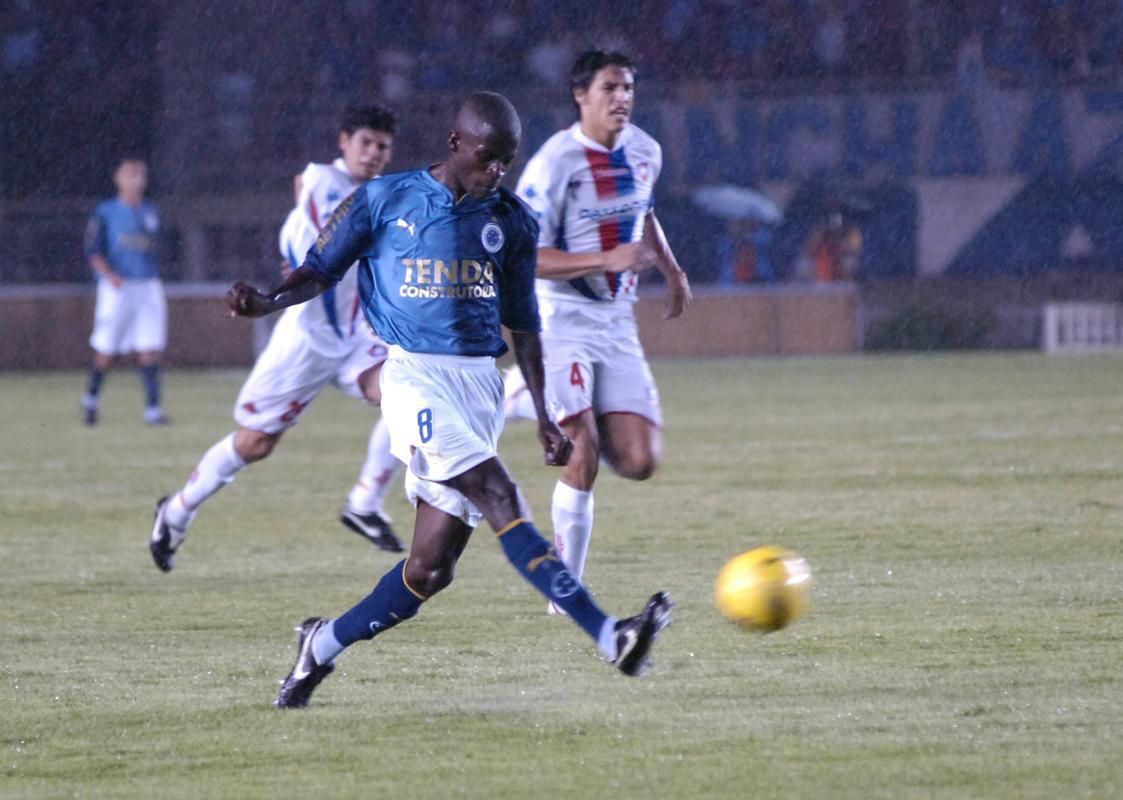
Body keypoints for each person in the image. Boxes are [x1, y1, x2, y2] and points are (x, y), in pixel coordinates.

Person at [226, 92, 673, 708]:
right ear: (457, 144)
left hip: (480, 387)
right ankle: (609, 634)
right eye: (490, 158)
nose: (499, 172)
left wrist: (544, 413)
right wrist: (269, 301)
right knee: (499, 493)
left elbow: (524, 324)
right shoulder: (386, 199)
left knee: (428, 572)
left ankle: (319, 647)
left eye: (508, 161)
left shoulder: (513, 220)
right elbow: (319, 269)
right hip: (413, 380)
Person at [149, 106, 405, 573]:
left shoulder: (371, 195)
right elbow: (320, 221)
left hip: (355, 333)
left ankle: (365, 502)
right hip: (305, 337)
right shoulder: (326, 181)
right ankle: (177, 510)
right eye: (365, 141)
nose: (373, 153)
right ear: (343, 142)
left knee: (409, 391)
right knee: (255, 445)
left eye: (382, 146)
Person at [504, 51, 691, 611]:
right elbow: (525, 258)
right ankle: (564, 594)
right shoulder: (554, 163)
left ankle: (517, 392)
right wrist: (605, 260)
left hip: (616, 323)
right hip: (559, 317)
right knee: (580, 445)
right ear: (580, 96)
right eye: (610, 87)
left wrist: (672, 268)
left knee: (639, 461)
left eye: (628, 87)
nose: (622, 98)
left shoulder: (645, 151)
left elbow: (643, 213)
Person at [81, 156, 169, 426]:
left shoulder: (151, 211)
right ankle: (91, 399)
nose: (136, 180)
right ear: (118, 178)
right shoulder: (105, 212)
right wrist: (109, 276)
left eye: (140, 175)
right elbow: (93, 251)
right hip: (117, 287)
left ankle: (152, 410)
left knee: (150, 346)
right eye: (130, 175)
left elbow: (155, 249)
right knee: (107, 350)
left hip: (148, 285)